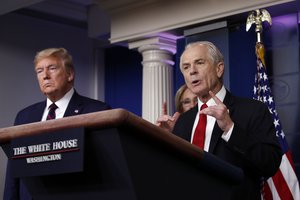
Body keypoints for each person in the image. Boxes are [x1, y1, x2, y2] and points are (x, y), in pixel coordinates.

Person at [156, 41, 282, 199]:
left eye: (199, 63)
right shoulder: (183, 122)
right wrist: (165, 141)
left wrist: (230, 128)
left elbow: (270, 164)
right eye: (186, 67)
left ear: (219, 68)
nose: (192, 71)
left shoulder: (252, 110)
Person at [4, 47, 111, 200]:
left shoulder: (96, 111)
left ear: (70, 74)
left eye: (52, 68)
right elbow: (13, 174)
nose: (45, 76)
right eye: (39, 71)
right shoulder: (25, 116)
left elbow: (105, 170)